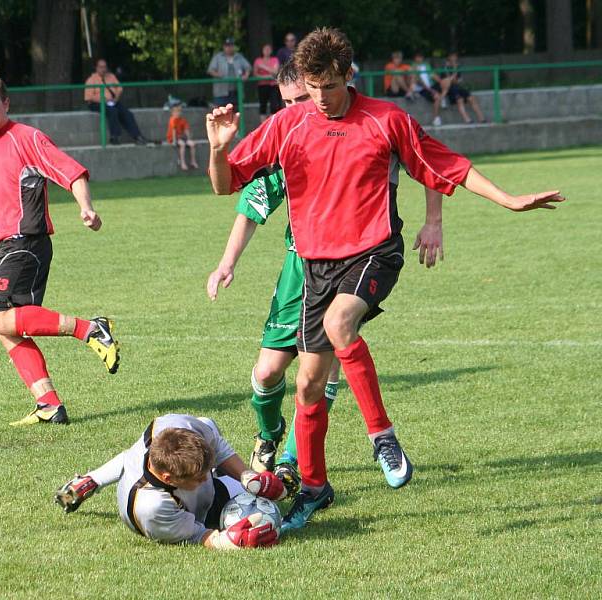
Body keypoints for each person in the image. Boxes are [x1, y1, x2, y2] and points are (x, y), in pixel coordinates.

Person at [205, 27, 563, 532]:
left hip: (374, 251)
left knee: (341, 323)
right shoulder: (288, 122)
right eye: (312, 87)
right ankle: (313, 488)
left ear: (349, 76)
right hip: (315, 266)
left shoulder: (386, 118)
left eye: (329, 86)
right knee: (307, 387)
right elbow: (227, 187)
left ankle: (382, 435)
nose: (321, 98)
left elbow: (445, 165)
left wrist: (508, 199)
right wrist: (219, 148)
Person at [206, 61, 446, 496]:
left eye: (305, 97)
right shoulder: (287, 145)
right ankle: (270, 434)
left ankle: (299, 467)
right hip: (300, 270)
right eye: (290, 103)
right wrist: (227, 262)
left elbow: (426, 160)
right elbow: (248, 206)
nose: (300, 108)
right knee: (266, 374)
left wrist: (433, 219)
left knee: (323, 366)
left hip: (352, 261)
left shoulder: (359, 127)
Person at [0, 67, 121, 426]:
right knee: (4, 327)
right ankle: (49, 404)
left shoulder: (25, 138)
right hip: (4, 247)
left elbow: (72, 172)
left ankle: (90, 329)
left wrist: (86, 207)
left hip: (27, 242)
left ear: (6, 103)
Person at [55, 413, 285, 549]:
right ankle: (91, 480)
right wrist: (227, 541)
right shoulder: (152, 508)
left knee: (205, 421)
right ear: (168, 478)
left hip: (151, 470)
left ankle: (89, 481)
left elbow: (216, 445)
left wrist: (248, 476)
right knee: (264, 514)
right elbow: (197, 533)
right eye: (200, 477)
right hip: (181, 513)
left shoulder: (178, 425)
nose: (208, 477)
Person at [84, 58, 148, 145]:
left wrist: (116, 98)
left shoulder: (111, 76)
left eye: (104, 67)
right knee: (112, 111)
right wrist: (103, 100)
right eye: (101, 67)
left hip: (112, 101)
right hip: (98, 103)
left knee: (127, 113)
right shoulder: (91, 80)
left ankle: (137, 136)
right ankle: (115, 137)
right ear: (96, 68)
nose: (103, 69)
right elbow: (89, 97)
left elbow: (119, 88)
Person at [441, 51, 486, 124]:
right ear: (449, 57)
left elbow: (459, 80)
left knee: (471, 98)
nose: (454, 58)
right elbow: (452, 81)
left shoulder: (458, 66)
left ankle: (482, 118)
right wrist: (455, 70)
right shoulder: (445, 67)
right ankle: (467, 119)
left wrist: (455, 72)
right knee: (460, 100)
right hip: (450, 88)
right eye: (452, 56)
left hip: (458, 87)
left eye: (455, 56)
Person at [207, 38, 251, 108]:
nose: (229, 48)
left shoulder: (239, 57)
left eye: (231, 46)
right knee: (221, 113)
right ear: (224, 47)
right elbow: (210, 70)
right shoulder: (218, 57)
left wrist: (246, 75)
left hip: (236, 91)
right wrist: (218, 75)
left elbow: (248, 67)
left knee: (235, 113)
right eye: (227, 46)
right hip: (221, 92)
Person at [411, 52, 443, 126]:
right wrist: (430, 89)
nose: (419, 59)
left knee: (445, 82)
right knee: (437, 97)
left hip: (431, 85)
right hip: (422, 88)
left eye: (421, 57)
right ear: (415, 58)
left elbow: (432, 74)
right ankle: (436, 118)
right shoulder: (413, 66)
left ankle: (442, 96)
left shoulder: (426, 65)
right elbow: (417, 80)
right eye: (417, 57)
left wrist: (441, 81)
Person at [166, 102, 198, 170]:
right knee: (182, 144)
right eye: (176, 112)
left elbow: (186, 130)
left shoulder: (183, 120)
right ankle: (183, 163)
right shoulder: (172, 119)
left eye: (179, 111)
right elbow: (173, 131)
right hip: (173, 137)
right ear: (172, 113)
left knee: (192, 144)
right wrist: (174, 141)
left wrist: (189, 139)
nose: (178, 113)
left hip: (181, 137)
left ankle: (193, 161)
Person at [253, 43, 281, 121]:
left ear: (271, 51)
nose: (267, 51)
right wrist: (267, 76)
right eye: (265, 49)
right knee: (263, 106)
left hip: (273, 86)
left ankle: (273, 124)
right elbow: (255, 74)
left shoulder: (275, 59)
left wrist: (263, 67)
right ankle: (264, 126)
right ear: (262, 51)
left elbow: (275, 72)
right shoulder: (258, 60)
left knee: (274, 105)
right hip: (262, 85)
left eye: (269, 49)